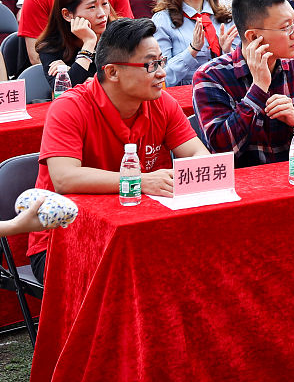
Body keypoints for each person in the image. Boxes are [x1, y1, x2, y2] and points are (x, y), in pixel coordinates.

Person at [28, 18, 210, 282]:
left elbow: (198, 157)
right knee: (141, 279)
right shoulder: (69, 107)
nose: (161, 73)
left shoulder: (161, 102)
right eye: (150, 65)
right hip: (64, 239)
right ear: (112, 72)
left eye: (162, 62)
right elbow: (64, 178)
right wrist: (140, 181)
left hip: (140, 229)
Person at [192, 0, 294, 167]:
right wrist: (257, 90)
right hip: (242, 189)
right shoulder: (211, 77)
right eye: (286, 28)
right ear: (253, 37)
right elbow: (221, 153)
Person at [152, 0, 237, 87]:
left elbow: (244, 70)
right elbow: (160, 77)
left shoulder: (226, 16)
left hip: (225, 95)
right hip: (184, 101)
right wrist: (192, 50)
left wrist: (228, 53)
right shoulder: (163, 20)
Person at [36, 0, 111, 87]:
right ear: (67, 14)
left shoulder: (118, 33)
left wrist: (73, 72)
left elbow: (126, 80)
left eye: (104, 4)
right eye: (92, 7)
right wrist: (89, 43)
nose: (102, 14)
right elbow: (64, 91)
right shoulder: (50, 47)